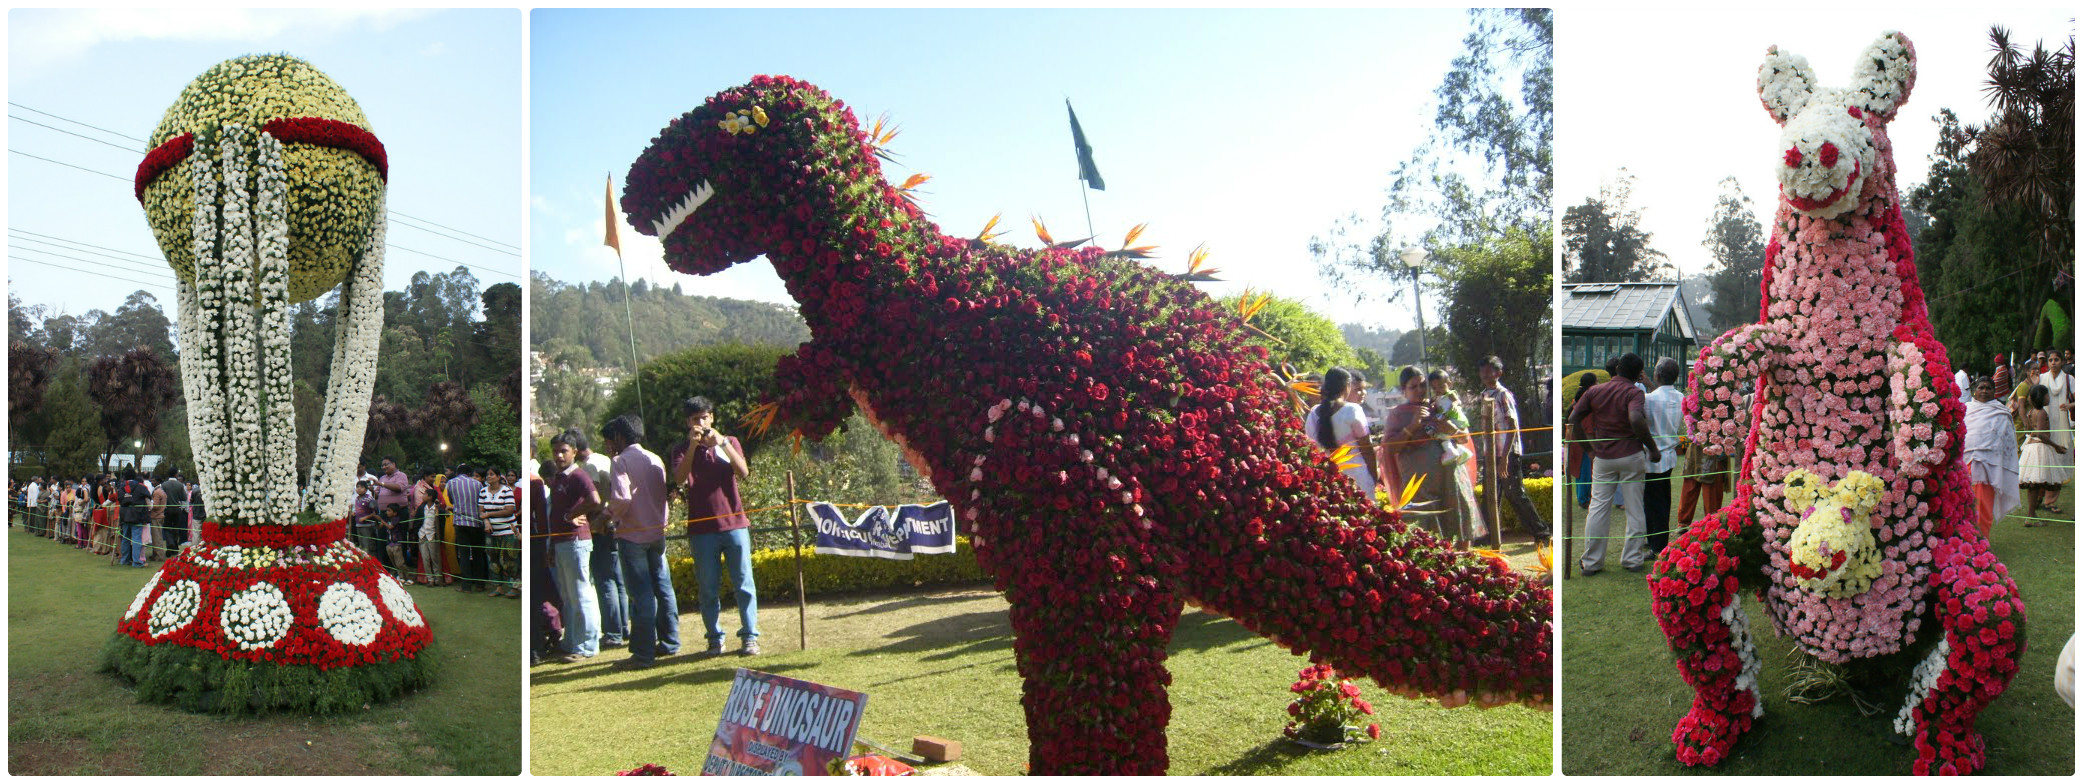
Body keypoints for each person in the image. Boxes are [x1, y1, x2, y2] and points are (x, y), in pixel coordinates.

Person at [669, 396, 760, 656]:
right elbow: (679, 478)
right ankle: (714, 638)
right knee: (708, 587)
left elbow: (743, 472)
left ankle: (750, 636)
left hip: (734, 524)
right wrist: (692, 446)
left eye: (705, 417)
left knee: (744, 583)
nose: (701, 423)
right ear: (688, 422)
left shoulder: (729, 442)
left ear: (713, 418)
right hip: (701, 530)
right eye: (696, 419)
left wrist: (721, 443)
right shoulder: (680, 449)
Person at [1567, 353, 1659, 574]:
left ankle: (1591, 562)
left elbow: (1572, 419)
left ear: (1617, 369)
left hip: (1604, 457)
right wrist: (1653, 448)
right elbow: (1635, 419)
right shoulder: (1634, 391)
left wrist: (1589, 448)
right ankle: (1632, 559)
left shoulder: (1595, 391)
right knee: (1635, 508)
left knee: (1598, 508)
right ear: (1638, 374)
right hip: (1631, 455)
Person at [602, 414, 680, 669]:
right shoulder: (655, 458)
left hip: (633, 535)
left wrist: (608, 516)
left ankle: (643, 653)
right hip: (657, 533)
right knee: (663, 588)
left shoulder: (620, 461)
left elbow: (622, 499)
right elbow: (663, 495)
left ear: (620, 437)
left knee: (642, 594)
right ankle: (670, 642)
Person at [1377, 367, 1476, 547]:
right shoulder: (1398, 414)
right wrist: (1412, 426)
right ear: (1403, 390)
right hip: (1419, 483)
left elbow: (1464, 437)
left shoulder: (1440, 405)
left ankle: (1465, 563)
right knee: (1424, 530)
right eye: (1413, 387)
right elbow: (1389, 449)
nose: (1420, 390)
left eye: (1423, 385)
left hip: (1451, 477)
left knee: (1458, 518)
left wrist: (1450, 429)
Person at [1476, 356, 1550, 540]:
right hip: (1491, 452)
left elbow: (1512, 426)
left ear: (1498, 373)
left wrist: (1505, 458)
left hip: (1507, 452)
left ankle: (1541, 532)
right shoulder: (1483, 395)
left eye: (1489, 370)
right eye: (1483, 371)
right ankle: (1489, 535)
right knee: (1490, 494)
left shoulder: (1503, 394)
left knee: (1515, 493)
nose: (1485, 374)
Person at [547, 430, 605, 662]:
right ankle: (571, 641)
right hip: (561, 542)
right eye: (555, 452)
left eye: (564, 451)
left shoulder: (578, 475)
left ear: (573, 451)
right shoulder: (560, 477)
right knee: (569, 596)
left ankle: (588, 646)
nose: (559, 456)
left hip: (576, 541)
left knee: (582, 594)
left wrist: (573, 513)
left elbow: (595, 500)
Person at [571, 429, 628, 649]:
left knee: (605, 580)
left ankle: (613, 633)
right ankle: (623, 628)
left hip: (601, 526)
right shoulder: (604, 459)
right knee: (617, 580)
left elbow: (593, 499)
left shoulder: (590, 465)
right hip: (614, 523)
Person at [1303, 367, 1377, 497]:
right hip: (1358, 479)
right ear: (1347, 386)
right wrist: (1374, 478)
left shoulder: (1313, 414)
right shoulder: (1353, 410)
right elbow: (1367, 449)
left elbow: (1311, 449)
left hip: (1328, 481)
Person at [1964, 375, 2021, 537]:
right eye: (1981, 387)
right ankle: (1964, 541)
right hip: (1966, 464)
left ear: (1994, 392)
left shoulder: (2002, 413)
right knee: (1964, 504)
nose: (1984, 391)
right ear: (1974, 391)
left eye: (1988, 388)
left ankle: (1982, 542)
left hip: (1990, 467)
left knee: (1984, 506)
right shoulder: (1965, 410)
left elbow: (2007, 441)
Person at [1643, 358, 1685, 556]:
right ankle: (1654, 539)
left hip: (1652, 454)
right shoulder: (1680, 397)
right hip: (1668, 455)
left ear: (1657, 375)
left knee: (1653, 501)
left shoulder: (1648, 399)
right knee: (1661, 499)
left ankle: (1657, 543)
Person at [2017, 384, 2069, 525]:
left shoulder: (2032, 411)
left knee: (2034, 485)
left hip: (2032, 447)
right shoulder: (2041, 413)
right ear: (2041, 397)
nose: (2048, 397)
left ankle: (2032, 514)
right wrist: (2056, 446)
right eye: (2046, 395)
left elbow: (2031, 430)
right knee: (2036, 483)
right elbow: (2040, 433)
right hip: (2039, 449)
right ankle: (2031, 515)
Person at [2038, 359, 2073, 513]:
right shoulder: (2042, 378)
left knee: (2059, 460)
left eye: (2056, 360)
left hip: (2061, 424)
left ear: (2062, 362)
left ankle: (2051, 501)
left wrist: (2070, 405)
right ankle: (2039, 498)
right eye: (2050, 360)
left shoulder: (2068, 379)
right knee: (2044, 460)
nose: (2053, 363)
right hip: (2044, 422)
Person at [480, 467, 520, 598]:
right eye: (487, 475)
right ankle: (498, 587)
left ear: (498, 477)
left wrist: (489, 514)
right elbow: (481, 511)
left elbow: (509, 510)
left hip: (508, 530)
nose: (489, 477)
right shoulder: (483, 491)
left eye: (492, 474)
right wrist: (486, 521)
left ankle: (515, 587)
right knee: (493, 558)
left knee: (509, 559)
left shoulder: (506, 490)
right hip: (491, 530)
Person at [447, 464, 487, 593]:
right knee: (477, 554)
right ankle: (480, 584)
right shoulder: (478, 484)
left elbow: (452, 501)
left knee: (464, 555)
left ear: (458, 472)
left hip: (460, 522)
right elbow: (481, 502)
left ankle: (466, 586)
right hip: (476, 522)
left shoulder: (451, 483)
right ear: (469, 473)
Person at [118, 467, 152, 567]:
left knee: (125, 538)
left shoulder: (121, 487)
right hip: (137, 515)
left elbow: (119, 499)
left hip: (124, 515)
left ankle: (124, 560)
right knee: (136, 538)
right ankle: (136, 561)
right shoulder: (141, 487)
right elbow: (148, 501)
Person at [351, 480, 384, 563]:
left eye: (361, 487)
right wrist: (354, 512)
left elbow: (375, 512)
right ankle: (364, 563)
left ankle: (372, 564)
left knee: (369, 546)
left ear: (366, 489)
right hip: (359, 525)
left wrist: (366, 517)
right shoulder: (357, 499)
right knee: (362, 546)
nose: (359, 489)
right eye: (357, 487)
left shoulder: (369, 498)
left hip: (368, 526)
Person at [158, 468, 189, 556]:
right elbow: (184, 498)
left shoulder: (164, 485)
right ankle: (175, 548)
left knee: (167, 528)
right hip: (177, 508)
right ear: (176, 474)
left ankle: (170, 545)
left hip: (167, 508)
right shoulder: (180, 485)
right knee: (176, 528)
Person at [382, 504, 412, 582]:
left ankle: (408, 577)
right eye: (387, 510)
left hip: (396, 543)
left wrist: (381, 520)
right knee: (395, 563)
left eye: (389, 511)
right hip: (389, 543)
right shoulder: (387, 519)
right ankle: (401, 576)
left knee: (400, 563)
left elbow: (390, 527)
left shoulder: (396, 519)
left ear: (395, 513)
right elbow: (380, 527)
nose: (387, 512)